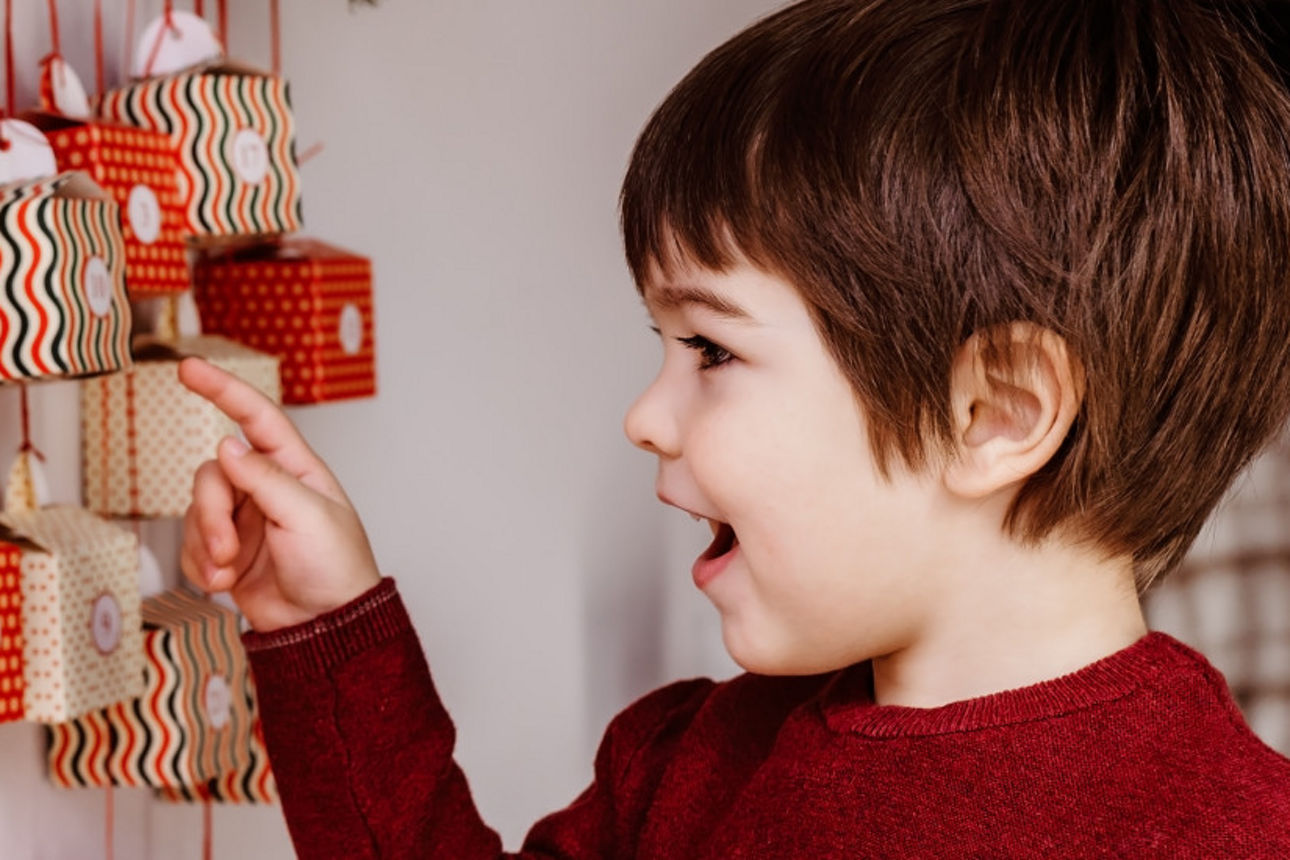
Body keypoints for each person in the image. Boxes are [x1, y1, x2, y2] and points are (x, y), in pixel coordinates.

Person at [179, 0, 1290, 856]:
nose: (645, 416)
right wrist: (323, 626)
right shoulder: (690, 765)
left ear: (993, 412)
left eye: (710, 349)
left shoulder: (1229, 830)